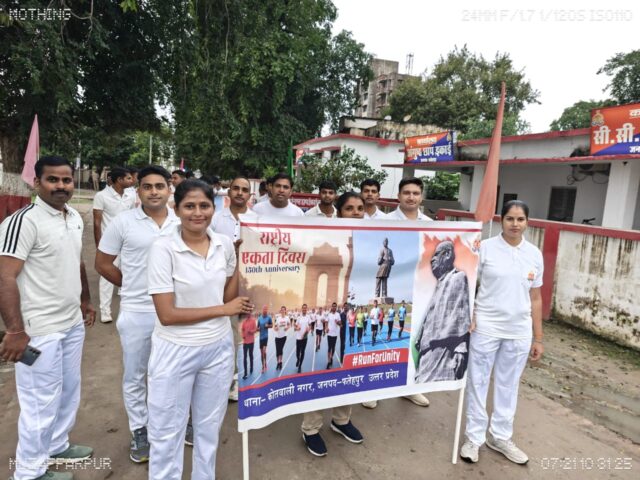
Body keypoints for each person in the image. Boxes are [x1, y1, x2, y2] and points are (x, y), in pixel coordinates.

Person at [146, 179, 252, 480]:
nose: (197, 213)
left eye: (204, 205)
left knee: (208, 428)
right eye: (189, 206)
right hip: (175, 350)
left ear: (214, 208)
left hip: (217, 349)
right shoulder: (163, 248)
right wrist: (223, 311)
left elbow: (226, 296)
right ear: (176, 208)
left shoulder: (223, 244)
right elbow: (167, 314)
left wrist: (242, 260)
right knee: (167, 432)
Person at [0, 156, 95, 480]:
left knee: (68, 390)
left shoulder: (73, 217)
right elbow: (4, 276)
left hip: (70, 323)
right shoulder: (24, 221)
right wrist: (15, 331)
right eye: (53, 179)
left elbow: (77, 261)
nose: (61, 186)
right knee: (40, 402)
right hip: (38, 330)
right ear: (37, 182)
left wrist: (85, 300)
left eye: (66, 180)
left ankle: (56, 445)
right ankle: (29, 472)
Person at [95, 165, 180, 463]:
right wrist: (130, 285)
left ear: (169, 189)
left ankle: (174, 423)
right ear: (138, 190)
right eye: (147, 186)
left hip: (176, 312)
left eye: (160, 186)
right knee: (136, 375)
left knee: (172, 372)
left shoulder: (181, 221)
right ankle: (139, 429)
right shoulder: (123, 222)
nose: (154, 192)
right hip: (137, 310)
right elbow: (102, 264)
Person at [460, 200, 544, 465]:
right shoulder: (484, 248)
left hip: (519, 330)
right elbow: (468, 283)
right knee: (478, 382)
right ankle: (474, 438)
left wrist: (538, 337)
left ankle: (500, 437)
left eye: (520, 219)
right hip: (486, 326)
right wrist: (470, 314)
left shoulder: (534, 254)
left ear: (527, 222)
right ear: (501, 220)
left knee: (509, 385)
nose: (515, 224)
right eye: (510, 219)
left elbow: (536, 298)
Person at [301, 191, 365, 457]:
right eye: (350, 208)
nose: (356, 213)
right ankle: (310, 427)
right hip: (328, 312)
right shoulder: (323, 235)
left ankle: (341, 419)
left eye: (360, 208)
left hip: (351, 312)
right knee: (323, 368)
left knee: (349, 366)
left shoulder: (366, 238)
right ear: (339, 211)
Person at [212, 176, 256, 401]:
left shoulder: (257, 221)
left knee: (244, 335)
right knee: (224, 335)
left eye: (244, 189)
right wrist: (233, 251)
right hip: (222, 284)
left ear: (249, 195)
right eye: (236, 188)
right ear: (228, 192)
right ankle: (223, 379)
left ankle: (240, 381)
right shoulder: (215, 219)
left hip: (250, 285)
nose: (240, 192)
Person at [414, 241, 470, 383]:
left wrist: (461, 348)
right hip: (427, 352)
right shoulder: (440, 284)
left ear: (447, 254)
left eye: (436, 254)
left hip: (443, 349)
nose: (432, 259)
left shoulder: (457, 278)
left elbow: (461, 315)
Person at [93, 166, 136, 323]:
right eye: (128, 178)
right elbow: (97, 222)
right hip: (110, 243)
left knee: (129, 275)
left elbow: (133, 217)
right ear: (119, 180)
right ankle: (105, 311)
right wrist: (99, 245)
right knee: (107, 277)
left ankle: (128, 310)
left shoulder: (130, 195)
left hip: (128, 242)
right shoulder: (101, 196)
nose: (131, 180)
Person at [294, 304, 312, 373]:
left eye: (305, 308)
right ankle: (298, 359)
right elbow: (295, 327)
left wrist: (308, 329)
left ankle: (300, 366)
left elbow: (310, 326)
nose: (304, 309)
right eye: (303, 308)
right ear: (302, 309)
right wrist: (297, 328)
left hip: (304, 337)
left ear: (306, 309)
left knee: (303, 351)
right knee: (297, 352)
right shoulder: (299, 317)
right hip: (298, 337)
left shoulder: (308, 317)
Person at [273, 306, 291, 370]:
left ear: (285, 311)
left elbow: (289, 324)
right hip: (277, 336)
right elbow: (275, 326)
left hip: (284, 336)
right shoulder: (278, 318)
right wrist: (275, 328)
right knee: (277, 350)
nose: (283, 311)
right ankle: (278, 362)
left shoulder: (287, 318)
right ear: (280, 311)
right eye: (282, 310)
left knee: (280, 349)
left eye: (284, 310)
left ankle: (280, 362)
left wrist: (287, 328)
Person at [324, 302, 341, 369]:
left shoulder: (338, 314)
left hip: (335, 334)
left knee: (333, 348)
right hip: (329, 333)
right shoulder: (329, 314)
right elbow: (326, 322)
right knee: (329, 347)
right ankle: (328, 362)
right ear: (331, 307)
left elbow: (340, 323)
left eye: (335, 306)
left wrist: (338, 322)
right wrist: (326, 328)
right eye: (333, 306)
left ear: (336, 307)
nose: (334, 307)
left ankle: (331, 357)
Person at [241, 312, 257, 379]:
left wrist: (251, 331)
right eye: (246, 314)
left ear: (250, 314)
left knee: (250, 355)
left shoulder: (253, 321)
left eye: (249, 313)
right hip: (245, 342)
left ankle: (251, 367)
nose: (247, 314)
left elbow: (255, 329)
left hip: (251, 342)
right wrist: (243, 335)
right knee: (244, 357)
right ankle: (245, 373)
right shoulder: (244, 322)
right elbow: (242, 330)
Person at [257, 306, 273, 373]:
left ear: (267, 310)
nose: (265, 310)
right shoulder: (259, 318)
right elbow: (257, 327)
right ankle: (264, 363)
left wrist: (268, 326)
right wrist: (258, 329)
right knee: (262, 353)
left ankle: (263, 367)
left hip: (265, 337)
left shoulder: (269, 317)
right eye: (264, 309)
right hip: (260, 337)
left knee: (264, 351)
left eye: (266, 309)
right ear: (262, 310)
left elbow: (271, 325)